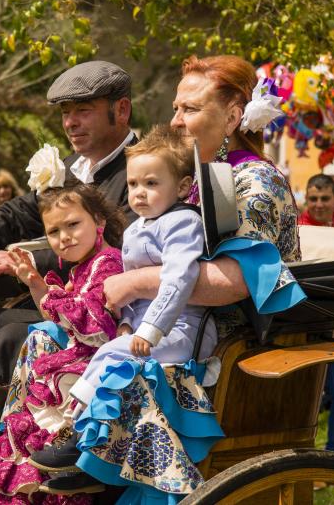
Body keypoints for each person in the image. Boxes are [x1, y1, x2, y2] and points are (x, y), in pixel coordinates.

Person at [63, 55, 302, 502]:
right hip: (172, 328)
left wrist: (134, 284)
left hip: (230, 351)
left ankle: (90, 458)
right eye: (176, 107)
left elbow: (233, 281)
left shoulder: (254, 181)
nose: (174, 120)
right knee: (47, 340)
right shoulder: (193, 180)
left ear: (232, 116)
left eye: (189, 109)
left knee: (113, 363)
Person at [0, 60, 136, 496]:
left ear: (121, 111)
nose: (70, 122)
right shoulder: (72, 169)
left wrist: (26, 256)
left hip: (96, 325)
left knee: (9, 340)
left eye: (83, 109)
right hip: (51, 308)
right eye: (64, 112)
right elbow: (13, 213)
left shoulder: (141, 169)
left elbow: (121, 238)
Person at [27, 127, 218, 497]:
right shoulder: (134, 231)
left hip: (180, 328)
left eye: (151, 183)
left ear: (181, 188)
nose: (139, 193)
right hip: (146, 326)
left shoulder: (183, 222)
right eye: (133, 185)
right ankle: (87, 450)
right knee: (112, 354)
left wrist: (149, 329)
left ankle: (78, 431)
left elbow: (180, 278)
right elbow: (131, 287)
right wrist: (129, 321)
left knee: (113, 355)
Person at [0, 177, 126, 503]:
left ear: (99, 221)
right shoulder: (81, 267)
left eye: (73, 225)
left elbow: (97, 327)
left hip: (97, 361)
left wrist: (56, 304)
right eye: (54, 232)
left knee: (51, 367)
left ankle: (70, 457)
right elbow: (55, 313)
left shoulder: (108, 262)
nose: (64, 237)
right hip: (74, 358)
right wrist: (33, 280)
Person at [299, 174, 334, 458]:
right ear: (306, 200)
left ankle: (333, 457)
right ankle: (300, 455)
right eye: (313, 199)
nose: (319, 204)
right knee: (304, 397)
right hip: (304, 326)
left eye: (325, 199)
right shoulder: (296, 228)